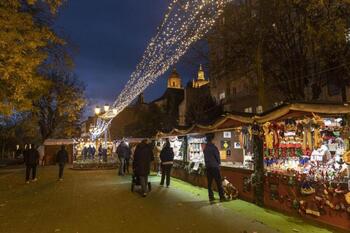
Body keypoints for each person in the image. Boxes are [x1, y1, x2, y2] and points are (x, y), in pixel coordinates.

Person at [203, 133, 226, 202]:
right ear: (212, 140)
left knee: (209, 183)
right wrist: (218, 163)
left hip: (208, 167)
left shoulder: (205, 148)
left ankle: (211, 197)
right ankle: (222, 197)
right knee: (218, 182)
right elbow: (218, 158)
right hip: (215, 167)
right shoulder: (214, 148)